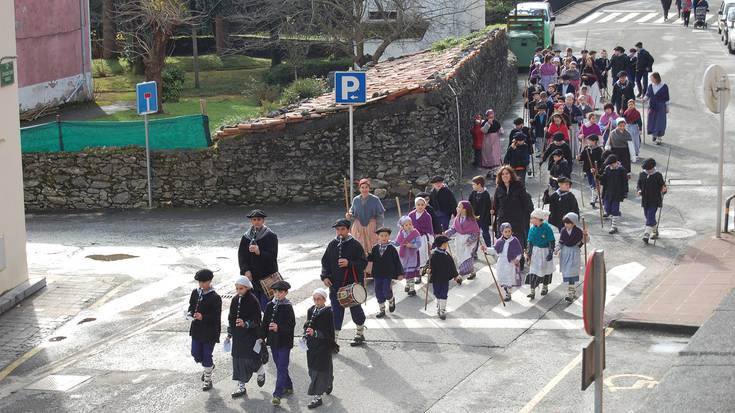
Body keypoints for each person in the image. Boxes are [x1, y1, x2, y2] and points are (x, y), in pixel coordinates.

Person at [320, 219, 367, 348]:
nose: (340, 232)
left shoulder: (355, 245)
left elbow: (363, 263)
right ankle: (334, 340)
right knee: (336, 312)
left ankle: (359, 333)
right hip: (335, 286)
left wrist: (349, 263)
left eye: (342, 229)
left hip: (351, 286)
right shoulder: (332, 245)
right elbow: (325, 263)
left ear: (348, 229)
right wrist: (325, 277)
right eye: (337, 229)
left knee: (356, 310)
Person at [227, 276, 265, 399]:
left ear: (247, 288)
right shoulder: (234, 300)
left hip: (250, 335)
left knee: (250, 359)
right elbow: (231, 318)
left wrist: (246, 324)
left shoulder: (253, 300)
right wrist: (229, 334)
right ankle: (241, 386)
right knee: (237, 360)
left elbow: (257, 319)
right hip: (238, 336)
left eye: (241, 288)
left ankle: (260, 371)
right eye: (237, 288)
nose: (239, 291)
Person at [492, 166, 534, 270]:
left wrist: (526, 219)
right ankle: (507, 263)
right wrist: (493, 211)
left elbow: (526, 203)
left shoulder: (519, 186)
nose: (505, 176)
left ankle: (520, 264)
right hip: (503, 220)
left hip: (517, 220)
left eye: (507, 173)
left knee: (517, 242)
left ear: (511, 175)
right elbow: (496, 205)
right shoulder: (499, 188)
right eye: (503, 174)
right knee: (504, 242)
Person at [261, 280, 295, 406]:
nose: (277, 294)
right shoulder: (270, 305)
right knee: (279, 365)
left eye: (280, 292)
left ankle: (277, 394)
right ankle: (289, 385)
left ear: (286, 293)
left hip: (285, 342)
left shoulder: (288, 307)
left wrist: (278, 327)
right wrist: (261, 337)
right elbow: (265, 324)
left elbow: (291, 325)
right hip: (273, 342)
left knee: (281, 367)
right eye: (275, 292)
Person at [187, 269, 222, 391]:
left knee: (207, 354)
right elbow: (191, 306)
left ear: (210, 281)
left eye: (204, 282)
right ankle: (209, 366)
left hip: (210, 331)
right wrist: (190, 313)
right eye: (199, 282)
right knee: (195, 353)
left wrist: (203, 317)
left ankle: (208, 379)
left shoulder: (215, 297)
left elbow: (216, 316)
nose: (201, 285)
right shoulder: (195, 293)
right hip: (197, 329)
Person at [238, 209, 279, 310]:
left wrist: (259, 252)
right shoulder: (246, 237)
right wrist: (246, 270)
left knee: (267, 305)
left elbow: (273, 256)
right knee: (253, 304)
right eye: (254, 219)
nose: (257, 222)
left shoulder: (270, 236)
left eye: (259, 219)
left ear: (263, 221)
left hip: (266, 276)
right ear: (251, 221)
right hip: (252, 276)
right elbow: (241, 256)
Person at [303, 288, 336, 409]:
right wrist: (306, 332)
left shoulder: (328, 313)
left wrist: (316, 333)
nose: (316, 301)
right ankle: (329, 381)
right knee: (312, 369)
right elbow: (308, 324)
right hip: (311, 346)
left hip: (322, 347)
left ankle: (317, 397)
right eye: (315, 299)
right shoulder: (311, 310)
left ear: (324, 300)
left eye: (319, 299)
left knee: (318, 372)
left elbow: (329, 333)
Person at [366, 227, 403, 318]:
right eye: (381, 236)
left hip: (387, 273)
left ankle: (391, 300)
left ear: (389, 236)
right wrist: (367, 256)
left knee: (386, 289)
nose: (384, 237)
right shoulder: (375, 248)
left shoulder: (391, 249)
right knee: (378, 290)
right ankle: (382, 309)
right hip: (377, 273)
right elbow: (371, 259)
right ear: (378, 237)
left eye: (386, 235)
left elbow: (397, 261)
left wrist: (400, 273)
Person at [483, 222, 523, 302]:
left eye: (509, 231)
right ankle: (505, 289)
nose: (508, 233)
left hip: (510, 263)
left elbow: (519, 252)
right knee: (502, 277)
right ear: (502, 232)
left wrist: (517, 259)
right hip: (502, 263)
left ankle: (508, 293)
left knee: (509, 278)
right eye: (506, 232)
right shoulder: (499, 241)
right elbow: (494, 249)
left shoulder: (514, 241)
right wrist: (486, 249)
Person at [346, 178, 385, 256]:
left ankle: (374, 264)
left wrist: (379, 228)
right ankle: (362, 264)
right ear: (359, 189)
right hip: (358, 226)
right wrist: (349, 215)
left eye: (366, 187)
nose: (364, 189)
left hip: (371, 225)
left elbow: (380, 215)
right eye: (362, 187)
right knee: (359, 246)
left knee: (373, 246)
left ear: (369, 188)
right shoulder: (355, 200)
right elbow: (352, 213)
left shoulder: (375, 199)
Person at [444, 201, 481, 282]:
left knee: (467, 256)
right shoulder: (457, 218)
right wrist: (446, 233)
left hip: (468, 242)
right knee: (460, 257)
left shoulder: (471, 220)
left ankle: (460, 275)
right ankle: (472, 271)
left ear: (464, 209)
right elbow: (454, 229)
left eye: (459, 207)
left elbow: (476, 232)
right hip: (459, 241)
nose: (457, 208)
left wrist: (470, 240)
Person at [556, 213, 587, 303]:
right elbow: (561, 242)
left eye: (568, 223)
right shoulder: (563, 230)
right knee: (567, 273)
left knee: (572, 273)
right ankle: (571, 292)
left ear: (573, 223)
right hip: (565, 253)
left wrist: (585, 235)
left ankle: (571, 294)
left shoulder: (578, 231)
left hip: (574, 253)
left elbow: (584, 241)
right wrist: (557, 249)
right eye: (565, 223)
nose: (566, 225)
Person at [525, 209, 556, 300]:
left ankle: (545, 286)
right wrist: (528, 254)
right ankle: (532, 291)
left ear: (538, 219)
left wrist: (550, 252)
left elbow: (551, 241)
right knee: (534, 270)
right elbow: (529, 242)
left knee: (546, 270)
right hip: (535, 252)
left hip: (545, 251)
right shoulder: (532, 228)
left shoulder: (547, 228)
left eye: (532, 218)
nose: (531, 219)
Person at [428, 235, 460, 320]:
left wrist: (456, 276)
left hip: (445, 278)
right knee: (437, 293)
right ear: (441, 244)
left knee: (444, 293)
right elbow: (429, 265)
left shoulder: (446, 254)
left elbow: (452, 266)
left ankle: (442, 310)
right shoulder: (434, 255)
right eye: (445, 243)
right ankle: (439, 304)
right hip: (436, 278)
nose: (447, 244)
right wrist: (427, 270)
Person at [637, 158, 668, 244]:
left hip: (655, 200)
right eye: (646, 169)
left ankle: (646, 235)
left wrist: (664, 190)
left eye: (649, 169)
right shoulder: (642, 174)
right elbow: (638, 185)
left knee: (650, 216)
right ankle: (655, 231)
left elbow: (663, 186)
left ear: (653, 168)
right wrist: (639, 190)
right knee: (648, 217)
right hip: (645, 200)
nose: (648, 171)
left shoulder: (658, 175)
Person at [600, 154, 628, 234]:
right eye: (610, 165)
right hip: (608, 192)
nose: (611, 166)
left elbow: (625, 182)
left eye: (612, 164)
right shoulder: (607, 169)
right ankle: (615, 214)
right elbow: (604, 178)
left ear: (616, 162)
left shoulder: (621, 170)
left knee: (614, 210)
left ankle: (613, 226)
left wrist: (625, 192)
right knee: (607, 209)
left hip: (617, 193)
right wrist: (597, 175)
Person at [395, 216, 422, 293]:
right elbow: (397, 242)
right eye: (406, 225)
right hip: (404, 255)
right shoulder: (401, 234)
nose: (409, 226)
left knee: (411, 272)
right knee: (406, 272)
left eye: (410, 224)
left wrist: (412, 245)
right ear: (402, 226)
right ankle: (407, 284)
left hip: (412, 255)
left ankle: (412, 288)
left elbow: (419, 244)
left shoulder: (415, 233)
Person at [409, 196, 434, 274]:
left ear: (425, 205)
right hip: (412, 238)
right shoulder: (411, 215)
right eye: (418, 204)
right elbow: (406, 226)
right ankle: (417, 273)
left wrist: (430, 242)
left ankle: (422, 269)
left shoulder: (427, 216)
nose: (420, 206)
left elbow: (430, 230)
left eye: (422, 204)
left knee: (422, 253)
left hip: (422, 238)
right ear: (415, 205)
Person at [579, 135, 604, 208]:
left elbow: (601, 161)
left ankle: (593, 199)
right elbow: (582, 157)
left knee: (595, 184)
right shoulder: (586, 148)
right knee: (591, 184)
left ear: (594, 141)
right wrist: (579, 158)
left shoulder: (599, 150)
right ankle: (596, 196)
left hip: (596, 170)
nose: (587, 142)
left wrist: (596, 169)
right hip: (587, 169)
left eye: (589, 140)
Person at [646, 72, 670, 145]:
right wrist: (644, 99)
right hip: (652, 106)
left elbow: (667, 98)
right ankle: (654, 134)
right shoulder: (650, 86)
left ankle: (659, 137)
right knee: (652, 121)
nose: (651, 79)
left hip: (661, 106)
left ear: (656, 78)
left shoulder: (664, 86)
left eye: (652, 78)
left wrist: (667, 107)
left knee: (660, 122)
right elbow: (647, 95)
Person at [469, 176, 493, 248]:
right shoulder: (473, 193)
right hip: (475, 218)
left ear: (479, 185)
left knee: (485, 233)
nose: (472, 186)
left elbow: (489, 207)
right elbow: (469, 202)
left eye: (473, 184)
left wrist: (491, 212)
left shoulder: (486, 194)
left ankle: (489, 248)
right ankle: (474, 250)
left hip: (484, 218)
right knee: (475, 234)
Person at [481, 109, 504, 177]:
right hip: (487, 140)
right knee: (488, 155)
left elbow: (501, 130)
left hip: (495, 140)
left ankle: (495, 171)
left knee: (495, 154)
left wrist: (500, 131)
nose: (491, 117)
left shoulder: (496, 122)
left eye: (492, 116)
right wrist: (488, 124)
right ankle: (490, 171)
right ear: (487, 116)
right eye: (490, 116)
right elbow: (484, 131)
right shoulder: (485, 122)